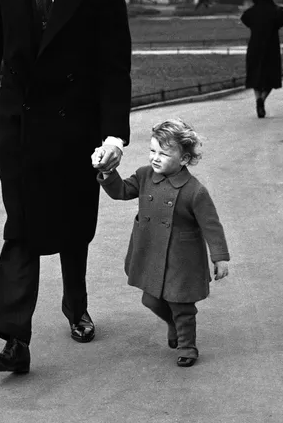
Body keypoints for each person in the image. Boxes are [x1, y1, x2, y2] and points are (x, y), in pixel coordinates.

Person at [0, 0, 132, 375]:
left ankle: (74, 306)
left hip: (75, 131)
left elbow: (113, 67)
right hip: (18, 126)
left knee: (74, 224)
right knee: (21, 227)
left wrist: (113, 135)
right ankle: (15, 338)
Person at [96, 119, 230, 368]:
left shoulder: (194, 191)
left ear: (184, 159)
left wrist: (219, 257)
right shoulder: (145, 175)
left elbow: (211, 225)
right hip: (151, 250)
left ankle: (187, 345)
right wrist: (107, 172)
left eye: (163, 153)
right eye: (152, 151)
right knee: (151, 300)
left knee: (181, 304)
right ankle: (173, 324)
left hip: (181, 257)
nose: (155, 158)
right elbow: (122, 191)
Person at [240, 0, 283, 117]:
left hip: (255, 45)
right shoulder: (275, 11)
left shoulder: (251, 12)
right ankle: (263, 98)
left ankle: (258, 99)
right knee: (271, 77)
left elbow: (245, 19)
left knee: (256, 76)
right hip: (271, 46)